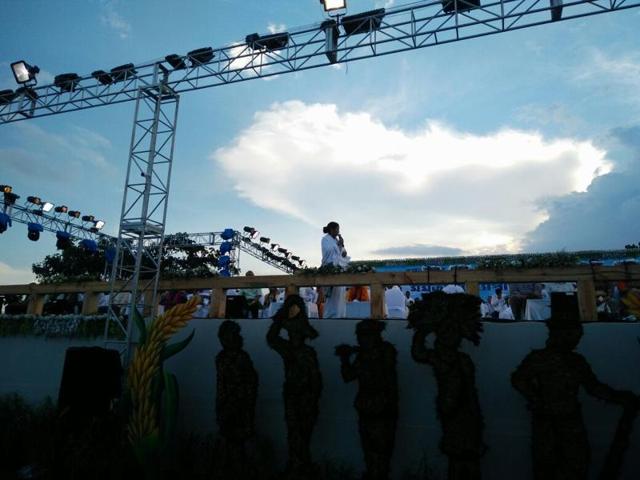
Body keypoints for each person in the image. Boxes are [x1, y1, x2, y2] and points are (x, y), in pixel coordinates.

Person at [321, 221, 350, 318]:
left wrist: (342, 245)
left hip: (339, 269)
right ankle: (330, 316)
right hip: (330, 269)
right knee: (332, 296)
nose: (338, 232)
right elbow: (328, 252)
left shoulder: (337, 240)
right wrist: (338, 245)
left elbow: (343, 254)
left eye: (339, 230)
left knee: (340, 295)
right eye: (337, 229)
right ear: (331, 230)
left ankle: (340, 315)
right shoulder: (325, 239)